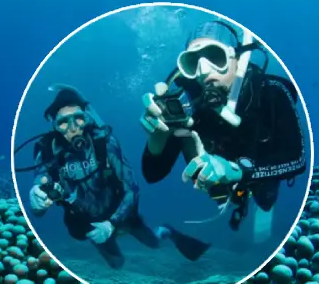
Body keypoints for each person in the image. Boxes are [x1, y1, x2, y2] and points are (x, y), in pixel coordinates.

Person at [139, 19, 306, 231]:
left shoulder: (271, 92)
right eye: (193, 63)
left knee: (265, 199)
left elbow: (297, 159)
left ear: (237, 57)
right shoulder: (187, 105)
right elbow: (152, 175)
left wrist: (238, 171)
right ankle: (236, 201)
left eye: (214, 57)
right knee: (228, 197)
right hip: (217, 183)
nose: (204, 71)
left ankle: (255, 203)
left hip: (260, 171)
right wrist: (158, 137)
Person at [21, 84, 211, 270]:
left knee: (154, 243)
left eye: (78, 119)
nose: (72, 129)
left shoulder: (104, 143)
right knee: (116, 263)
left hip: (121, 214)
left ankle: (166, 231)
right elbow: (41, 183)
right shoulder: (48, 151)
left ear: (86, 119)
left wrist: (111, 224)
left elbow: (131, 188)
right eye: (63, 122)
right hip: (87, 222)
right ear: (55, 125)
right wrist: (36, 194)